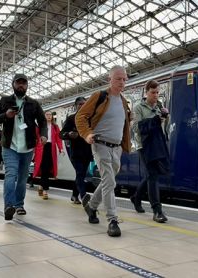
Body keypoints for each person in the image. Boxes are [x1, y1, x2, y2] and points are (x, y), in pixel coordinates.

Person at [75, 65, 131, 237]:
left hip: (116, 148)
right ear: (110, 80)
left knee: (109, 181)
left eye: (124, 79)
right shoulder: (99, 96)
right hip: (100, 144)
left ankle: (91, 206)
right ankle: (112, 220)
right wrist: (87, 134)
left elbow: (123, 124)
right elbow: (81, 116)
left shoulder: (123, 101)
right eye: (118, 78)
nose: (122, 82)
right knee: (108, 180)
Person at [0, 73, 47, 221]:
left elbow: (42, 121)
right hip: (10, 146)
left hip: (27, 147)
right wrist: (5, 115)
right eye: (18, 83)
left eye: (24, 83)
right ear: (13, 84)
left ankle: (19, 204)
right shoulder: (4, 101)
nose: (21, 85)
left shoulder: (33, 103)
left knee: (22, 178)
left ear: (27, 85)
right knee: (10, 175)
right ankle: (9, 206)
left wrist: (44, 134)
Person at [131, 80, 169, 223]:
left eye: (157, 92)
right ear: (146, 92)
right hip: (145, 146)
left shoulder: (160, 107)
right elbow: (136, 129)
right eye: (153, 92)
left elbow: (163, 128)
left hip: (158, 145)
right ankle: (157, 210)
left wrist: (165, 117)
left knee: (150, 175)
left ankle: (136, 198)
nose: (155, 95)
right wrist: (155, 120)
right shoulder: (138, 108)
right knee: (153, 175)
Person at [60, 97, 93, 204]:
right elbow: (61, 134)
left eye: (84, 103)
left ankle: (74, 195)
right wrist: (68, 134)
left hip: (87, 152)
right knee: (79, 172)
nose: (82, 106)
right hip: (75, 152)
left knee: (82, 174)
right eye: (80, 104)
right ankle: (83, 196)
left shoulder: (90, 119)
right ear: (76, 106)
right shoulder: (71, 119)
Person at [33, 111, 64, 200]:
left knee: (47, 168)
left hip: (51, 148)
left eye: (50, 115)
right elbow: (36, 138)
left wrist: (61, 148)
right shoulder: (40, 126)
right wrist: (34, 151)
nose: (49, 116)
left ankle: (40, 186)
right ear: (44, 116)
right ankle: (45, 191)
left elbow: (58, 138)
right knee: (44, 168)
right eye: (47, 115)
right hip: (42, 148)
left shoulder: (55, 127)